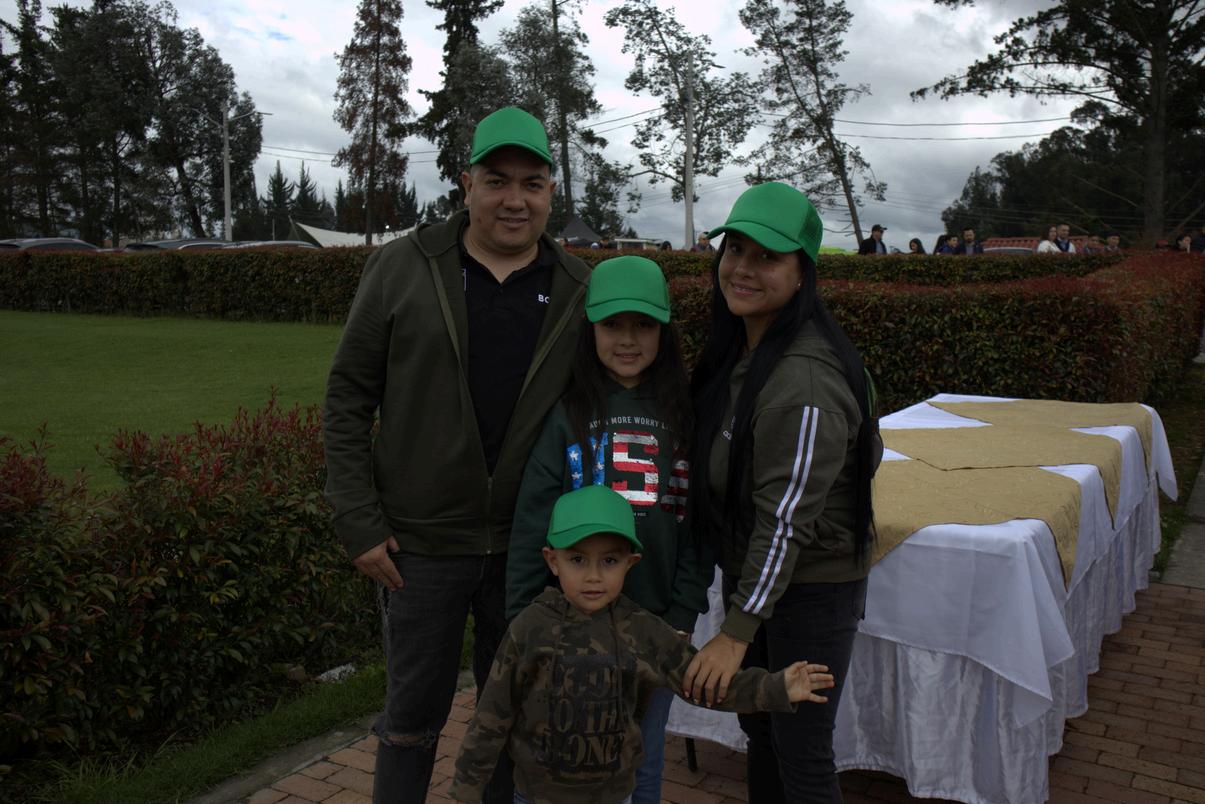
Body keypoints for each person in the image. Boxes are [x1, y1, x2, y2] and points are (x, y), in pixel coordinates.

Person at [322, 107, 592, 804]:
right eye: (496, 181)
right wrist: (356, 517)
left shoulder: (577, 287)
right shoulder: (402, 267)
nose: (514, 200)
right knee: (410, 724)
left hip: (526, 547)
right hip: (418, 547)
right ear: (466, 184)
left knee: (507, 719)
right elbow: (348, 396)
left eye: (531, 183)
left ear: (551, 192)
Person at [452, 485, 835, 804]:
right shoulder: (528, 628)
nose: (593, 576)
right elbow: (492, 716)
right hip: (536, 796)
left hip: (614, 795)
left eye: (609, 561)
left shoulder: (642, 630)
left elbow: (701, 681)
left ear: (630, 563)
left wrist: (774, 688)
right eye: (578, 559)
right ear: (552, 561)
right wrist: (467, 789)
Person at [685, 182, 880, 802]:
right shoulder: (747, 349)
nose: (742, 268)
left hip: (811, 590)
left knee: (801, 752)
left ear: (802, 275)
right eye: (735, 249)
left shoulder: (804, 381)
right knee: (762, 731)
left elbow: (785, 522)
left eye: (767, 256)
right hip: (759, 578)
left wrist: (735, 632)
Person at [505, 255, 709, 804]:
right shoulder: (567, 413)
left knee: (642, 759)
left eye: (643, 324)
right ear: (590, 328)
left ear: (665, 332)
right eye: (612, 324)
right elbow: (533, 520)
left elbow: (698, 528)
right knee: (555, 756)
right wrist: (523, 618)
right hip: (571, 630)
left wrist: (682, 616)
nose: (627, 339)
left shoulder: (686, 416)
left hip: (653, 629)